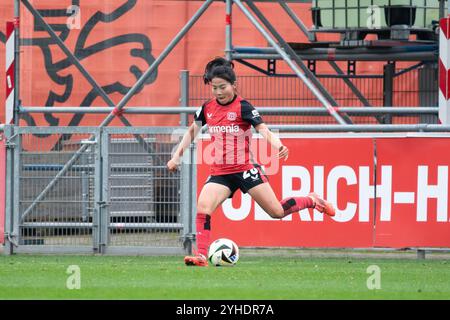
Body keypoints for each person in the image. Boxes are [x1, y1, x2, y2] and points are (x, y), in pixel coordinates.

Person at [167, 57, 335, 267]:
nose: (219, 92)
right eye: (214, 88)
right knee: (203, 206)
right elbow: (192, 131)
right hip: (220, 172)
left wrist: (278, 145)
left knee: (277, 212)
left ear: (233, 85)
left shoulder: (243, 107)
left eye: (223, 87)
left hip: (245, 169)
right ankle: (201, 255)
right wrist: (176, 156)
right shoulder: (207, 109)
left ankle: (312, 200)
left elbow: (263, 129)